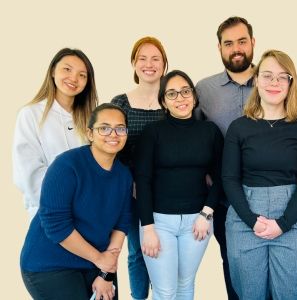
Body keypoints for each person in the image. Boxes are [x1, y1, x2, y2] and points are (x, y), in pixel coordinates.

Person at [222, 49, 297, 300]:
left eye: (282, 77)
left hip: (293, 218)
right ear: (256, 80)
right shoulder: (239, 127)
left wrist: (283, 223)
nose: (274, 83)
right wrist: (252, 220)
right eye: (267, 75)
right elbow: (230, 179)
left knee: (290, 294)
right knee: (250, 294)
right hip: (245, 219)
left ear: (291, 82)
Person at [20, 103, 133, 300]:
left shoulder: (123, 175)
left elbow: (122, 223)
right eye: (104, 128)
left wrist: (106, 273)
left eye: (120, 128)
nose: (113, 134)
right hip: (50, 264)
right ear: (90, 133)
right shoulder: (67, 165)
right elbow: (57, 226)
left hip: (93, 263)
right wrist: (100, 260)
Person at [135, 70, 224, 299]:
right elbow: (142, 181)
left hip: (198, 222)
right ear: (163, 101)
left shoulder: (210, 131)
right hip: (159, 223)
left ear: (194, 96)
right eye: (172, 94)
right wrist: (148, 228)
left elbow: (222, 176)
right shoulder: (152, 133)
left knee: (185, 285)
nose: (180, 98)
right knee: (165, 291)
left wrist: (206, 214)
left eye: (185, 91)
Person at [195, 16, 255, 299]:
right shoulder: (203, 89)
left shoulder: (274, 80)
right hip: (223, 199)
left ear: (253, 43)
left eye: (242, 41)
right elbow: (192, 135)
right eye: (228, 43)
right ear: (219, 48)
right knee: (233, 265)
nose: (236, 48)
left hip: (270, 193)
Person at [111, 36, 168, 300]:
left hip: (167, 192)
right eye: (142, 58)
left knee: (164, 251)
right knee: (136, 251)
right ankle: (138, 297)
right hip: (129, 192)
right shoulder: (120, 103)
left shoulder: (173, 103)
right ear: (133, 64)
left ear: (164, 65)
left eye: (155, 58)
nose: (149, 64)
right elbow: (110, 148)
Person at [13, 48, 98, 219]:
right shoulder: (31, 114)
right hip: (49, 213)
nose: (74, 78)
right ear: (53, 71)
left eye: (82, 75)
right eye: (67, 69)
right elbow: (28, 172)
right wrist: (60, 203)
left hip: (87, 213)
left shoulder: (91, 119)